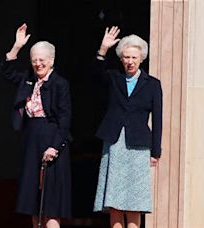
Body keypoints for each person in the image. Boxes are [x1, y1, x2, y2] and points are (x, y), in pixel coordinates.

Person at [0, 23, 72, 228]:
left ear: (51, 60)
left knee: (50, 204)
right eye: (34, 60)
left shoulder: (60, 83)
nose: (38, 64)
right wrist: (16, 47)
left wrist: (54, 147)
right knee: (32, 202)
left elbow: (65, 119)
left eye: (42, 60)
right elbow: (5, 70)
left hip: (52, 141)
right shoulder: (28, 79)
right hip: (31, 140)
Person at [92, 26, 163, 228]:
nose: (130, 61)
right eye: (126, 57)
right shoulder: (114, 78)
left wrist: (155, 152)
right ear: (121, 59)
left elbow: (157, 119)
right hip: (114, 143)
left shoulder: (152, 84)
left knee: (135, 201)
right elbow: (95, 75)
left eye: (134, 57)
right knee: (114, 201)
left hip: (139, 146)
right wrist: (103, 49)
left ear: (141, 58)